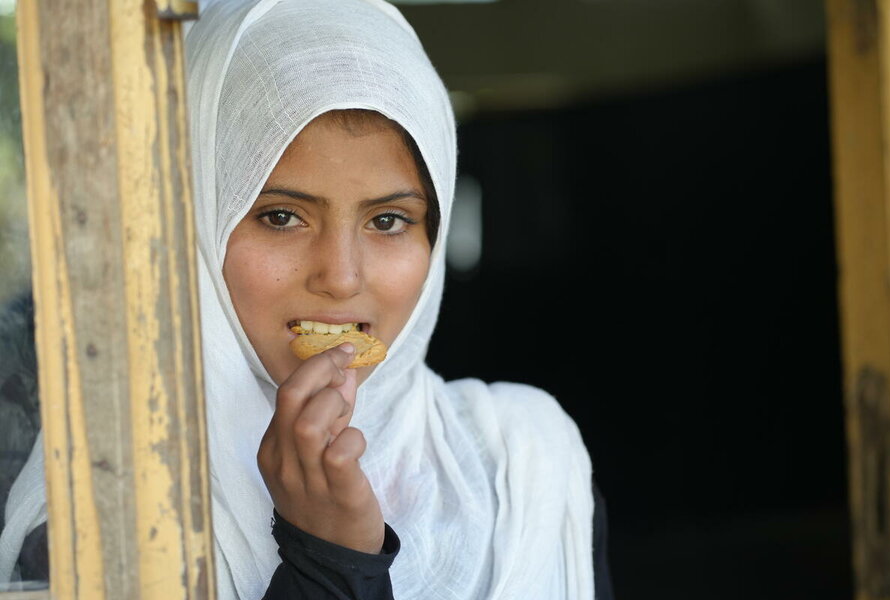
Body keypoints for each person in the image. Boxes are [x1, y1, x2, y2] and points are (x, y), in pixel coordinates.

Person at [0, 0, 614, 598]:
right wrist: (329, 561)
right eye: (282, 215)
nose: (341, 278)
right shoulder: (101, 517)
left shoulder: (521, 468)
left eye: (389, 221)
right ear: (189, 219)